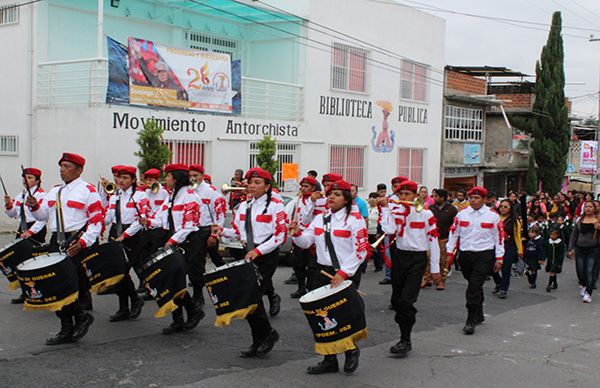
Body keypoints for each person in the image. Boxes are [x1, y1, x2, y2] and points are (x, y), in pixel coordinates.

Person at [290, 179, 368, 374]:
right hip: (320, 270)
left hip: (345, 272)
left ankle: (351, 351)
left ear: (347, 199)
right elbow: (306, 242)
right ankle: (329, 359)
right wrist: (296, 232)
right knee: (323, 315)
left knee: (343, 314)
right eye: (330, 194)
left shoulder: (355, 220)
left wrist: (342, 273)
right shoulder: (320, 219)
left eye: (337, 194)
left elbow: (361, 250)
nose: (331, 197)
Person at [25, 153, 98, 345]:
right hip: (55, 241)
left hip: (75, 241)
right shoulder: (55, 191)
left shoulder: (88, 190)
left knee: (67, 285)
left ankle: (78, 318)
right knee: (54, 286)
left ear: (79, 170)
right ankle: (69, 325)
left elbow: (96, 222)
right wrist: (33, 207)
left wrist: (83, 243)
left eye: (67, 166)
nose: (62, 170)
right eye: (61, 166)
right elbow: (42, 216)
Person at [220, 167, 285, 358]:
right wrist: (221, 231)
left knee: (251, 297)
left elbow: (280, 235)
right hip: (248, 254)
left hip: (265, 256)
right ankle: (260, 338)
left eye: (257, 183)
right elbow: (238, 233)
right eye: (250, 182)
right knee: (250, 300)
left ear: (267, 186)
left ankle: (267, 335)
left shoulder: (275, 206)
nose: (252, 186)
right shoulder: (245, 206)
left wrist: (258, 251)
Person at [379, 180, 440, 357]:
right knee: (397, 300)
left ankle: (405, 339)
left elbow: (433, 240)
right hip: (400, 256)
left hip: (417, 259)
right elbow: (389, 229)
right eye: (400, 195)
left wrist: (435, 268)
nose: (404, 198)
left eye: (407, 195)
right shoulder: (395, 211)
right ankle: (404, 331)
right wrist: (385, 209)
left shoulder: (426, 214)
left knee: (406, 300)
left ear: (415, 195)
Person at [143, 164, 205, 333]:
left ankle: (192, 312)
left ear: (176, 178)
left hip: (187, 243)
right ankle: (181, 317)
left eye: (168, 176)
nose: (166, 179)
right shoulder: (171, 198)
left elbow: (189, 226)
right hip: (172, 241)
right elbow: (160, 219)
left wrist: (171, 241)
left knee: (175, 280)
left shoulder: (191, 197)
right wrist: (147, 221)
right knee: (171, 282)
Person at [447, 186, 504, 335]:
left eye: (477, 198)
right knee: (473, 284)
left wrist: (499, 258)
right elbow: (454, 233)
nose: (473, 200)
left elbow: (499, 238)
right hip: (466, 255)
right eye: (471, 197)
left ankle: (470, 320)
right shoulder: (462, 214)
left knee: (474, 286)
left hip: (484, 255)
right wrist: (449, 251)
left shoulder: (492, 216)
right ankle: (479, 311)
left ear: (484, 200)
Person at [103, 166, 147, 321]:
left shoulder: (140, 196)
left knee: (123, 270)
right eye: (119, 177)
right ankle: (124, 307)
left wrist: (124, 236)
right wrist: (97, 223)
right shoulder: (115, 195)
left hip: (131, 236)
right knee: (116, 272)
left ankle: (134, 300)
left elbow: (139, 221)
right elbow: (109, 216)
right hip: (115, 232)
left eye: (125, 178)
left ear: (133, 180)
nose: (121, 181)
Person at [3, 167, 47, 304]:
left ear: (38, 180)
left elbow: (42, 219)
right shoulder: (21, 195)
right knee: (19, 261)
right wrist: (8, 205)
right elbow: (13, 214)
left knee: (32, 262)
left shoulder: (41, 195)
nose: (26, 180)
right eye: (25, 177)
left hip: (35, 228)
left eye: (30, 178)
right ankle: (25, 292)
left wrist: (30, 232)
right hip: (22, 228)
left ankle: (39, 291)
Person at [189, 164, 226, 308]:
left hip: (206, 230)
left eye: (195, 176)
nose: (192, 178)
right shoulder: (188, 191)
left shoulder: (211, 192)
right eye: (190, 176)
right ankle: (198, 292)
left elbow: (219, 214)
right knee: (195, 264)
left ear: (202, 176)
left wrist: (214, 234)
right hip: (192, 231)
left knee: (204, 262)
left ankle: (199, 296)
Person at [289, 176, 318, 298]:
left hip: (311, 237)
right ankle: (301, 288)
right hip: (298, 235)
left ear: (313, 188)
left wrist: (311, 201)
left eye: (307, 186)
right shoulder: (299, 200)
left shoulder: (319, 201)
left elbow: (307, 217)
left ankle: (310, 289)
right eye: (303, 186)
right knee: (298, 264)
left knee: (312, 266)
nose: (303, 189)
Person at [567, 200, 600, 303]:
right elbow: (574, 235)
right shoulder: (579, 221)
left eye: (591, 206)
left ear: (594, 209)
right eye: (586, 207)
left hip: (594, 249)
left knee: (590, 271)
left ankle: (588, 293)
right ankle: (583, 285)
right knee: (580, 271)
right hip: (580, 249)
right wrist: (570, 248)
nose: (588, 208)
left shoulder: (598, 221)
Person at [424, 188, 457, 290]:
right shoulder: (431, 208)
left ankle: (441, 281)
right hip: (431, 238)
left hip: (444, 239)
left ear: (443, 198)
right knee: (428, 259)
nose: (434, 198)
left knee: (443, 261)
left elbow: (455, 226)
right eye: (433, 196)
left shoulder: (452, 209)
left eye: (436, 196)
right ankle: (426, 279)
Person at [379, 176, 408, 286]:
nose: (397, 189)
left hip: (403, 233)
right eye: (395, 186)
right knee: (388, 254)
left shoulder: (407, 200)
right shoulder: (388, 199)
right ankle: (388, 275)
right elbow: (383, 216)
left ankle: (400, 276)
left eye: (399, 186)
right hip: (390, 231)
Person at [491, 199, 523, 299]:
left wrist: (520, 250)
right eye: (501, 206)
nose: (503, 209)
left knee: (506, 268)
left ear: (510, 208)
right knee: (491, 266)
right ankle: (498, 282)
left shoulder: (514, 220)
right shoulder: (494, 218)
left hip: (509, 246)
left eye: (506, 207)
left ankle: (503, 289)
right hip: (494, 246)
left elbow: (517, 235)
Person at [544, 224, 565, 292]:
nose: (552, 236)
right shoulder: (548, 242)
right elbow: (546, 251)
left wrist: (560, 263)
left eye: (554, 234)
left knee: (552, 272)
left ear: (558, 235)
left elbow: (561, 254)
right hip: (550, 260)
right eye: (551, 234)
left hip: (556, 261)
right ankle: (555, 284)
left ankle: (549, 285)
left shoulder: (560, 243)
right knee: (553, 272)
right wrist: (543, 258)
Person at [367, 192, 383, 272]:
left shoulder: (379, 209)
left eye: (374, 198)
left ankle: (379, 267)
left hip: (376, 232)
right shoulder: (366, 208)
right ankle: (363, 268)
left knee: (377, 251)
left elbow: (381, 221)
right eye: (371, 198)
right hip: (368, 231)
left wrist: (379, 232)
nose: (372, 200)